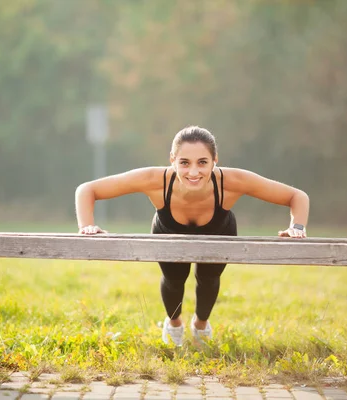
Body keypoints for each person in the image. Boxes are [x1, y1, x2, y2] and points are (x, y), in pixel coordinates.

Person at [75, 126, 309, 346]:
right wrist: (88, 226)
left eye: (203, 162)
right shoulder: (155, 180)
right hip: (168, 231)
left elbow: (297, 196)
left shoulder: (232, 181)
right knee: (174, 280)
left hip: (219, 231)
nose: (193, 172)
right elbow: (87, 189)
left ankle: (200, 325)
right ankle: (174, 325)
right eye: (184, 163)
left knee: (208, 279)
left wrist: (296, 227)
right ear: (172, 160)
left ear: (215, 161)